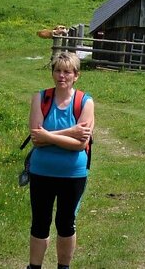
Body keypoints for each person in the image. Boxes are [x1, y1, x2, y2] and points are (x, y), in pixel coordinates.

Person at [26, 51, 94, 269]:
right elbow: (36, 138)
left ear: (76, 75)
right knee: (40, 223)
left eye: (67, 72)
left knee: (65, 224)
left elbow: (81, 144)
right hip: (41, 172)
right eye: (57, 70)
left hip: (72, 174)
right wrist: (70, 132)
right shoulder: (40, 98)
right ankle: (34, 266)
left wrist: (49, 136)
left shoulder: (85, 102)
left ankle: (63, 267)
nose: (61, 76)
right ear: (52, 73)